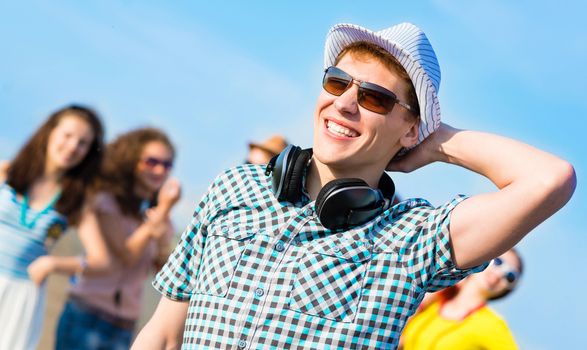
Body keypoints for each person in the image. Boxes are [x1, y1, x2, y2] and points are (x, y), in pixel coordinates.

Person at [132, 22, 576, 349]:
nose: (343, 103)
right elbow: (165, 332)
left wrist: (436, 143)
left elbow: (549, 179)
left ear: (410, 128)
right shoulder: (235, 187)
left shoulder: (412, 240)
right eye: (337, 82)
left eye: (375, 98)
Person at [55, 128, 181, 350]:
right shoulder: (107, 202)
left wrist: (162, 238)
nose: (160, 170)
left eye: (167, 165)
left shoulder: (161, 217)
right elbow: (126, 255)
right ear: (131, 160)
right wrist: (158, 217)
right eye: (152, 161)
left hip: (125, 323)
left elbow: (165, 274)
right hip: (87, 313)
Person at [0, 105, 110, 350]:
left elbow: (101, 260)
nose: (72, 147)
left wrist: (54, 264)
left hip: (21, 297)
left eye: (83, 143)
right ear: (50, 132)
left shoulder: (75, 200)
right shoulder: (5, 173)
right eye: (68, 136)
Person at [400, 249, 523, 349]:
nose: (499, 274)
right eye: (498, 262)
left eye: (510, 276)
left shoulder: (493, 325)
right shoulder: (435, 302)